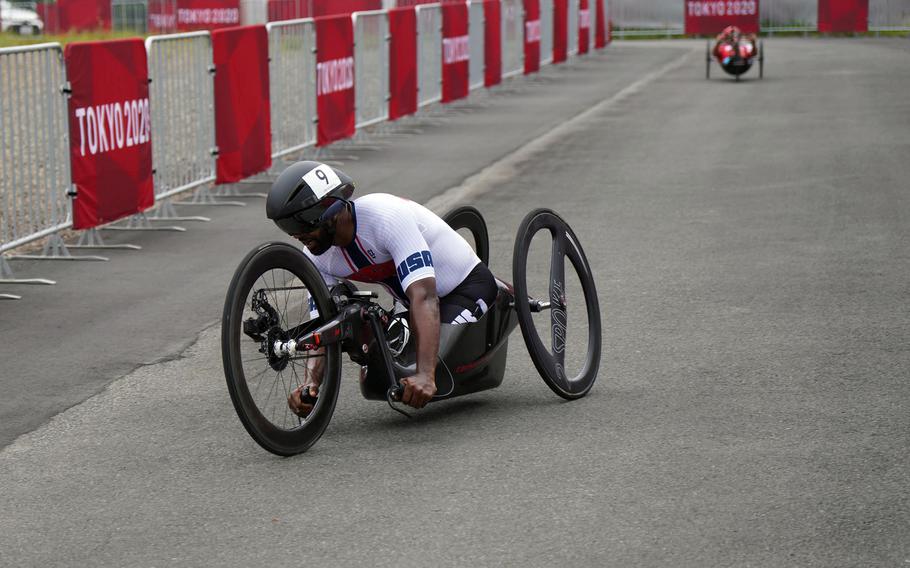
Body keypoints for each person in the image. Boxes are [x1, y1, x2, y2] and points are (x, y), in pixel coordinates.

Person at [265, 161, 498, 415]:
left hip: (464, 288)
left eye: (301, 226)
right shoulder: (315, 257)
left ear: (330, 212)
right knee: (379, 376)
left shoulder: (386, 217)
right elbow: (323, 326)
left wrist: (425, 375)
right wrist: (311, 384)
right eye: (287, 229)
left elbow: (425, 295)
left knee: (439, 371)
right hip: (410, 302)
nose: (296, 236)